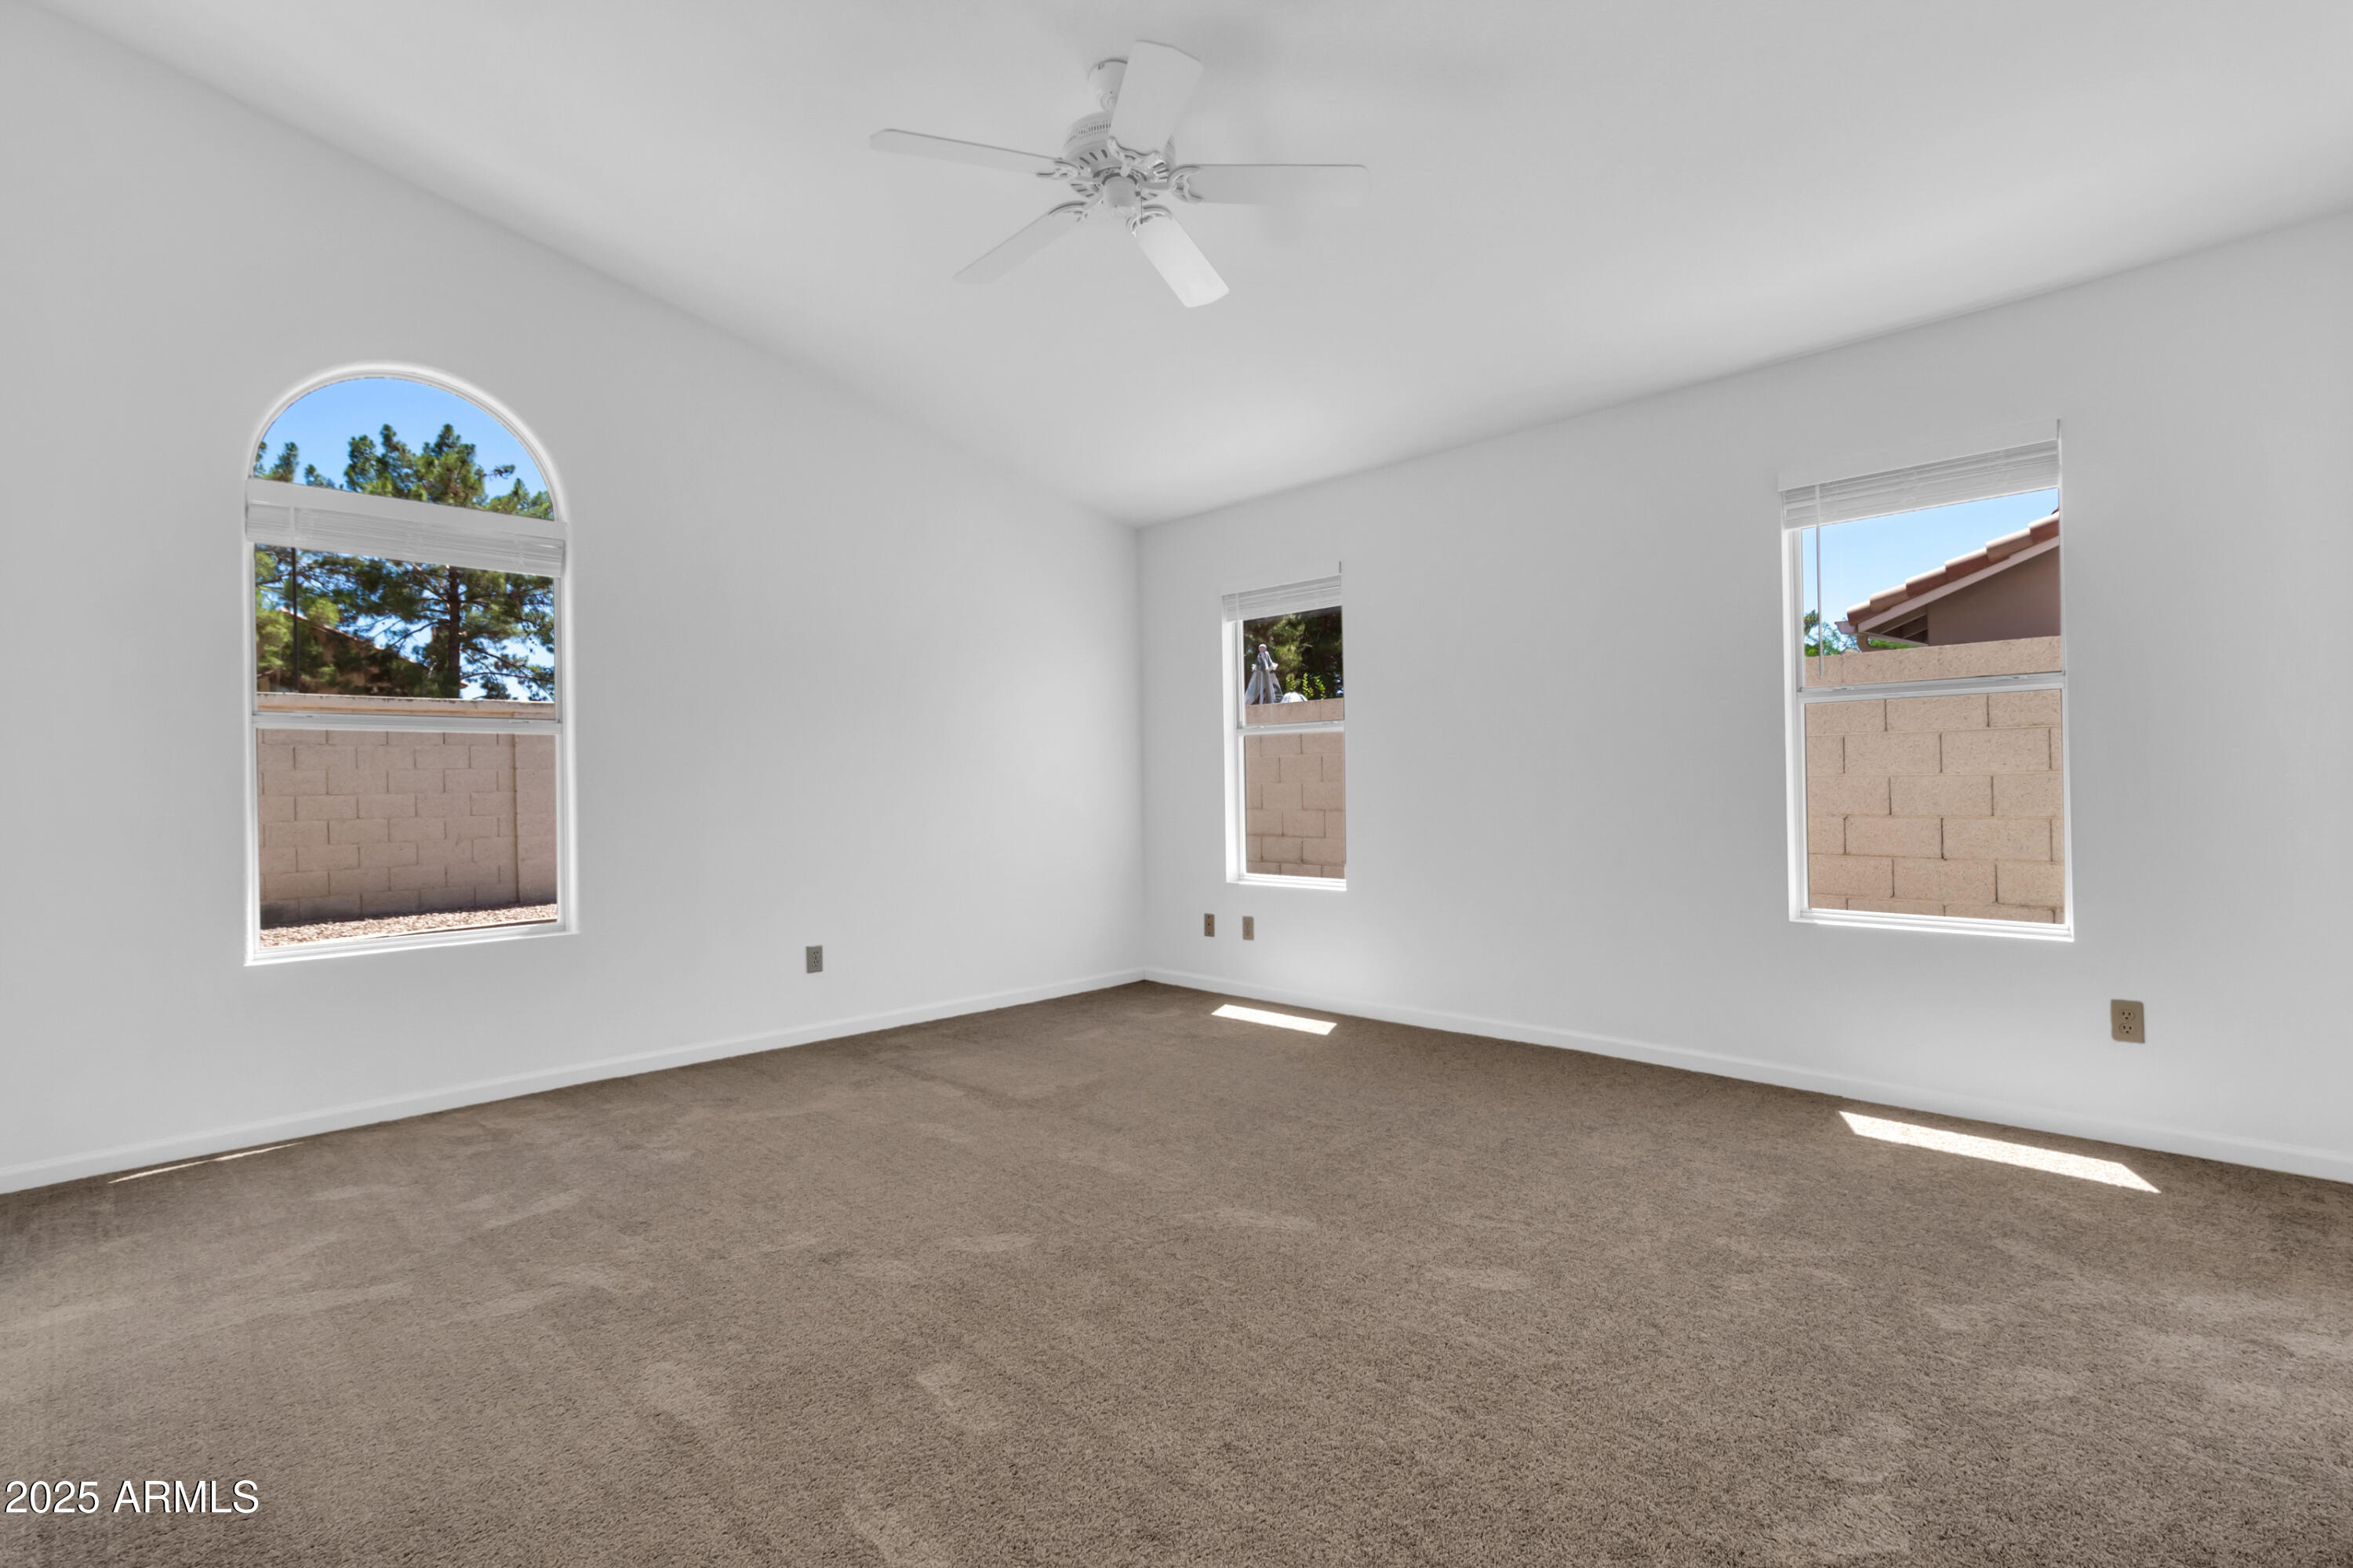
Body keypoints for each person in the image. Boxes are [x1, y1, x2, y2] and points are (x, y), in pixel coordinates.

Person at [1242, 641, 1280, 705]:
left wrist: (1268, 667)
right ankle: (1261, 700)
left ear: (1265, 649)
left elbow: (1268, 661)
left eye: (1262, 648)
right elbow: (1259, 662)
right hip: (1261, 672)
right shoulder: (1260, 655)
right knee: (1261, 685)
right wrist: (1257, 668)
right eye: (1260, 648)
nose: (1261, 649)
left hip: (1267, 671)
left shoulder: (1266, 654)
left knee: (1269, 684)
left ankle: (1270, 699)